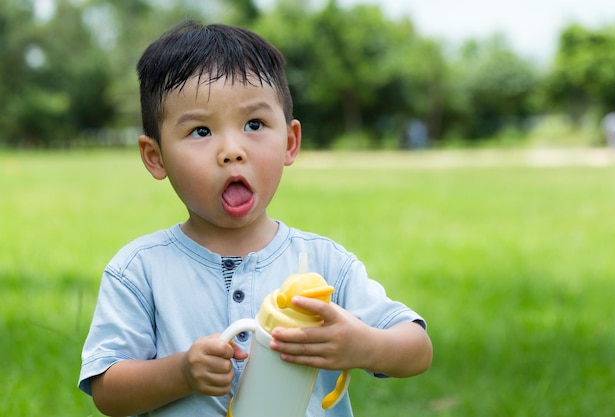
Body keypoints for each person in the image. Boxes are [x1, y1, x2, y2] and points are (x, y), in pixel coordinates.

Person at [78, 20, 433, 417]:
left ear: (290, 141)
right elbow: (107, 391)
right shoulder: (139, 270)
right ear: (155, 156)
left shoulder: (325, 265)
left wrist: (365, 345)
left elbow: (417, 349)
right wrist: (181, 371)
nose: (232, 151)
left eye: (254, 125)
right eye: (200, 131)